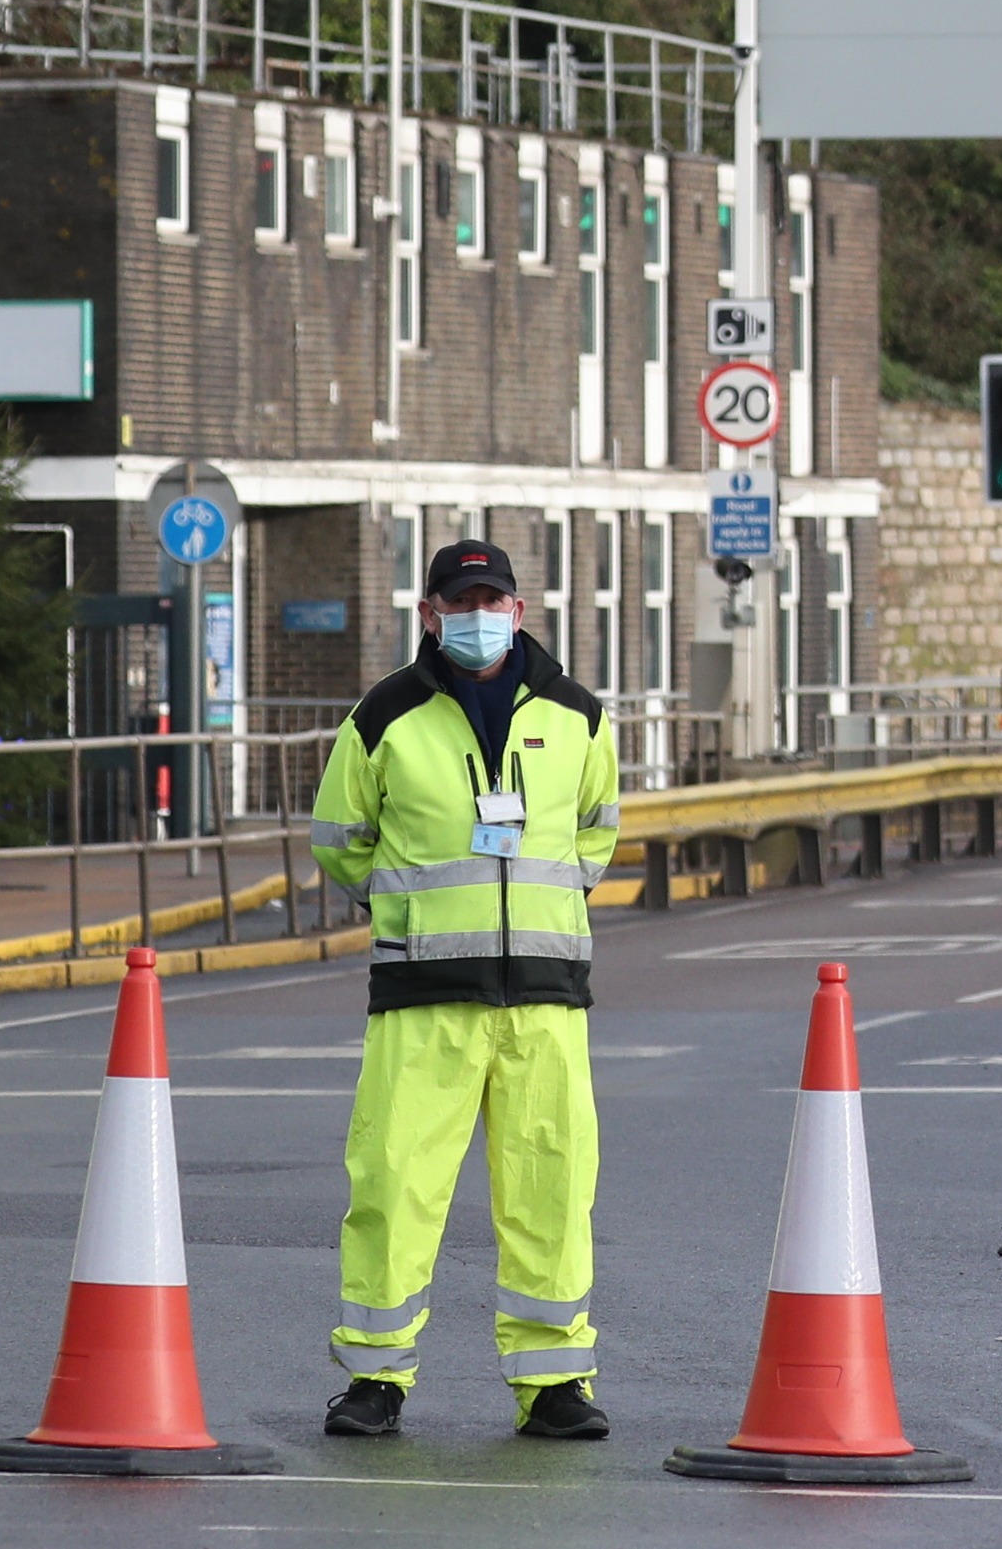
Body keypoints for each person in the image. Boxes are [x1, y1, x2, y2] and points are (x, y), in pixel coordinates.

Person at [306, 539, 624, 1442]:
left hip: (546, 998)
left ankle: (556, 1377)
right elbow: (340, 835)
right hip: (424, 993)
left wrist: (543, 903)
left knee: (552, 1186)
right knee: (396, 1183)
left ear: (518, 611)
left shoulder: (578, 715)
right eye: (461, 600)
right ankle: (375, 1377)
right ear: (431, 614)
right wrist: (405, 909)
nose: (478, 614)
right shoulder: (384, 717)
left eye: (493, 599)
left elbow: (598, 829)